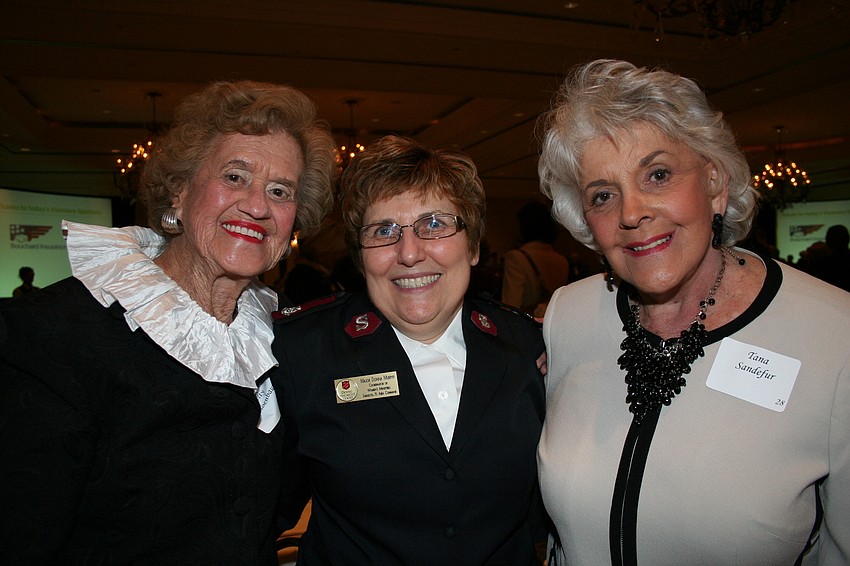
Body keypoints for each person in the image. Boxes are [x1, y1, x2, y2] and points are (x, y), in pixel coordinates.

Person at [0, 80, 335, 563]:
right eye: (235, 177)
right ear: (179, 193)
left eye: (279, 191)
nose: (258, 206)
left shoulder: (283, 338)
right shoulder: (57, 333)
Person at [536, 59, 850, 565]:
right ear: (587, 222)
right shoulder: (567, 315)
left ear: (714, 181)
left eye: (657, 174)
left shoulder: (835, 337)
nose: (631, 212)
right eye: (602, 195)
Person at [273, 135, 548, 564]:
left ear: (473, 245)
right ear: (360, 257)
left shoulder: (531, 346)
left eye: (435, 224)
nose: (409, 252)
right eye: (383, 231)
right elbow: (260, 510)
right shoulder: (303, 352)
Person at [501, 201, 570, 317]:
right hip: (551, 321)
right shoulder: (562, 260)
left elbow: (511, 306)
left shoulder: (516, 258)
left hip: (526, 325)